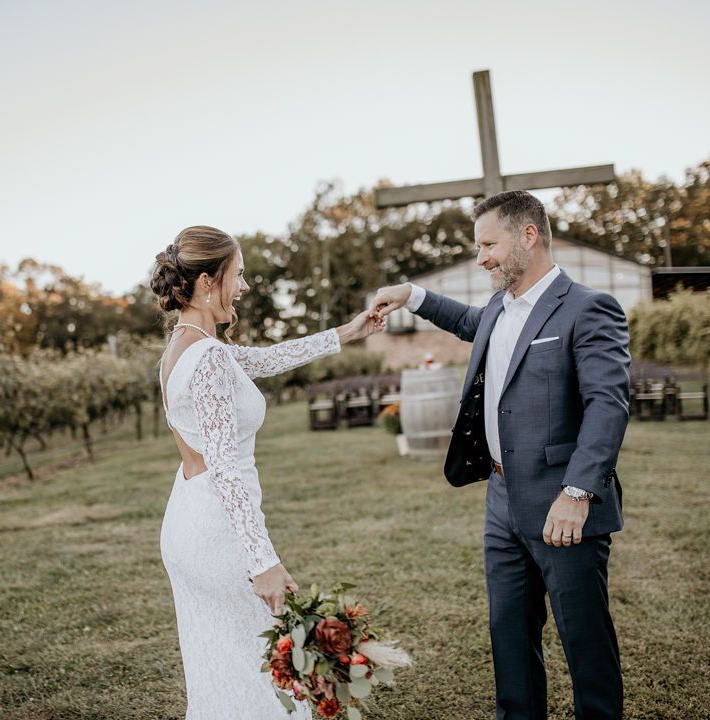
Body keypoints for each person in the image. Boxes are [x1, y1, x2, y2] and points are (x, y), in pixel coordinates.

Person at [371, 190, 630, 720]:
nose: (482, 256)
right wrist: (411, 295)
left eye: (489, 244)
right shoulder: (498, 307)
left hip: (565, 506)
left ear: (527, 236)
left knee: (584, 639)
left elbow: (608, 406)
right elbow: (466, 321)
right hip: (502, 498)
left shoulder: (588, 307)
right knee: (508, 633)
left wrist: (578, 492)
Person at [150, 225, 383, 719]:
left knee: (228, 670)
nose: (246, 286)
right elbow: (226, 471)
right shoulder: (208, 356)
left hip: (187, 522)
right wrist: (263, 561)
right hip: (216, 533)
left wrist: (347, 332)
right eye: (240, 274)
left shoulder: (186, 347)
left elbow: (267, 358)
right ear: (209, 281)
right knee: (258, 676)